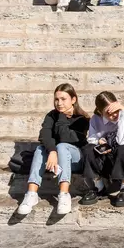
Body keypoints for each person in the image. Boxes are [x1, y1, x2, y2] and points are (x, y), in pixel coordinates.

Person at [15, 84, 90, 216]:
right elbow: (44, 135)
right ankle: (31, 194)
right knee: (40, 148)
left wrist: (61, 117)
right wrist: (52, 152)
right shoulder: (51, 115)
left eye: (63, 99)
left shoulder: (82, 119)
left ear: (73, 100)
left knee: (61, 146)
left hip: (76, 160)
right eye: (56, 99)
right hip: (56, 159)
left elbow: (66, 138)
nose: (59, 103)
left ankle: (64, 194)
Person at [80, 91, 124, 208]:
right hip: (109, 163)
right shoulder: (96, 119)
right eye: (108, 113)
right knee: (88, 149)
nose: (114, 115)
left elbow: (122, 141)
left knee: (123, 149)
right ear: (100, 112)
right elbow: (91, 138)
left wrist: (123, 112)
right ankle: (98, 187)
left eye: (115, 111)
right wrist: (98, 142)